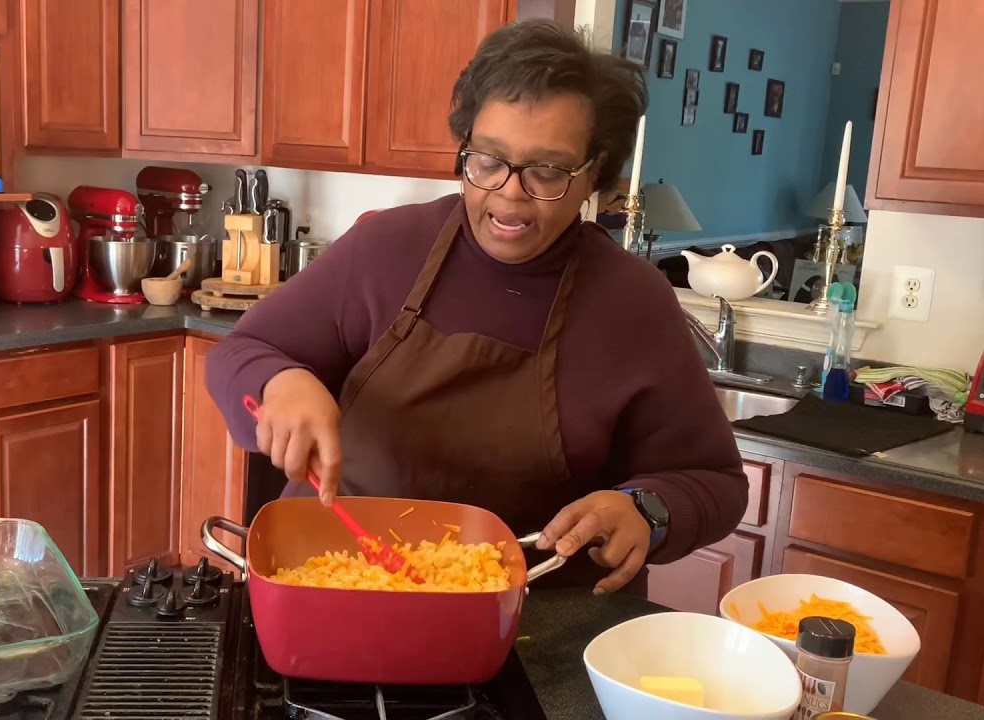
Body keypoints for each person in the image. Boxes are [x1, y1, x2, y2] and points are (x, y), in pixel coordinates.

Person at [206, 20, 747, 594]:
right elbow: (241, 352)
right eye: (488, 159)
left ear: (595, 173)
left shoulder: (634, 304)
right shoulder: (384, 249)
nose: (510, 192)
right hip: (335, 584)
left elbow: (713, 481)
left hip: (531, 625)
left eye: (548, 170)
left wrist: (646, 510)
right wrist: (280, 381)